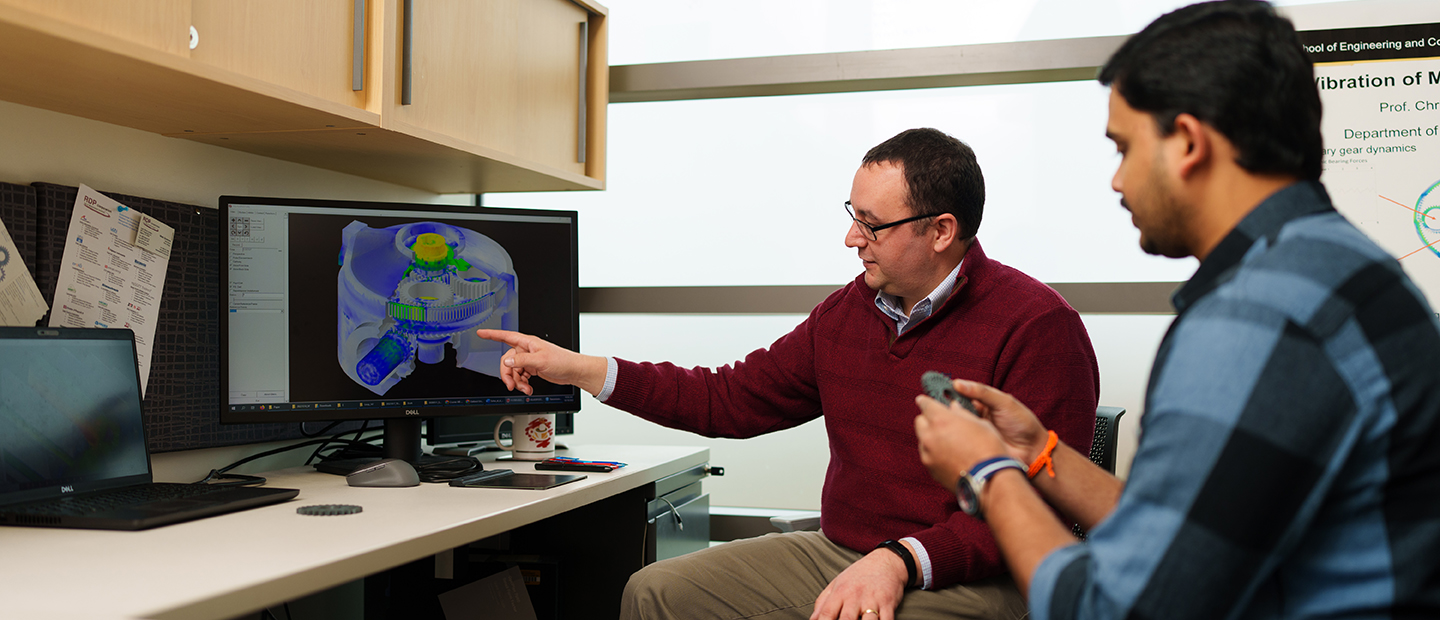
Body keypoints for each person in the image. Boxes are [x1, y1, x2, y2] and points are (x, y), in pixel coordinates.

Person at [914, 2, 1440, 619]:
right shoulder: (1336, 264)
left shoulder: (1259, 314)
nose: (1116, 182)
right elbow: (1189, 535)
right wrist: (1035, 452)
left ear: (1188, 142)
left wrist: (986, 473)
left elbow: (1122, 609)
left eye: (1125, 148)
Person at [478, 127, 1100, 620]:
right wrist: (578, 368)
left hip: (981, 574)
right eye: (852, 213)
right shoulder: (849, 312)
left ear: (941, 231)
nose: (851, 238)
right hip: (846, 550)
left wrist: (900, 561)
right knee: (658, 592)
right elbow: (729, 399)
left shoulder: (1038, 326)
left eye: (872, 224)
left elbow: (1033, 515)